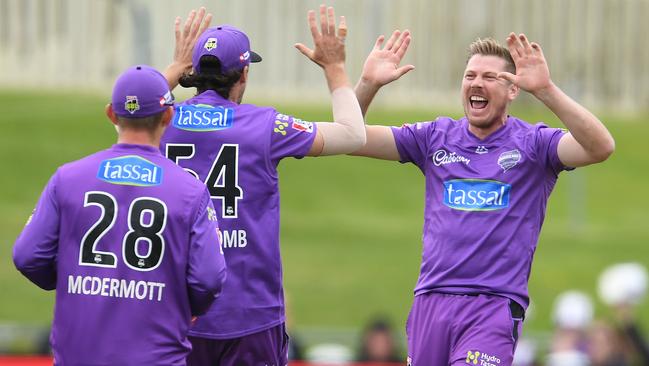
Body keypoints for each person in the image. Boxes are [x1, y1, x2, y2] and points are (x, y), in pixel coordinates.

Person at [352, 32, 615, 365]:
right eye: (470, 76)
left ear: (513, 89)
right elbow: (350, 137)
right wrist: (367, 83)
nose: (477, 83)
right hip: (431, 302)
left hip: (493, 307)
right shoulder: (435, 137)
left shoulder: (534, 144)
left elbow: (601, 147)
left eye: (490, 77)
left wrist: (547, 91)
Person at [160, 5, 365, 365]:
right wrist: (335, 69)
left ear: (194, 71)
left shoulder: (161, 121)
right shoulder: (265, 126)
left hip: (176, 314)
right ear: (244, 73)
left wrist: (174, 70)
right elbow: (352, 135)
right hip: (250, 315)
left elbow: (124, 114)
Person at [12, 63, 226, 365]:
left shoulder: (68, 178)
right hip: (156, 356)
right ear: (168, 116)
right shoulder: (190, 191)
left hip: (78, 355)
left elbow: (28, 256)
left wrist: (77, 280)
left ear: (111, 114)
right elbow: (208, 280)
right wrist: (185, 306)